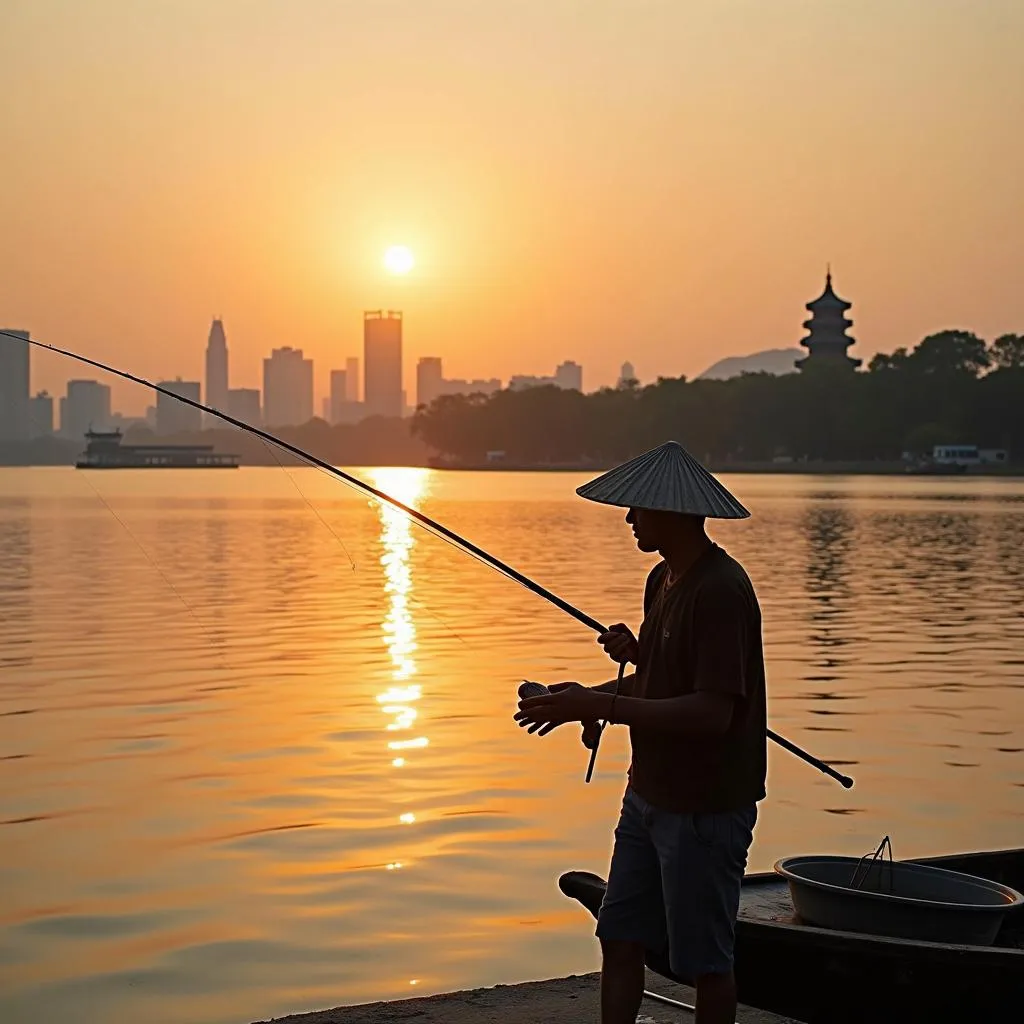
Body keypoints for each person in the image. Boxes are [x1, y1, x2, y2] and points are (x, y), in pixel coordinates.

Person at [514, 441, 767, 1024]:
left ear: (673, 512)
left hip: (705, 807)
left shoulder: (721, 590)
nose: (629, 519)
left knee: (705, 962)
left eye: (639, 509)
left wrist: (601, 703)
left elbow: (711, 713)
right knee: (620, 935)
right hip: (647, 795)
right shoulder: (663, 581)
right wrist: (582, 701)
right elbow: (656, 687)